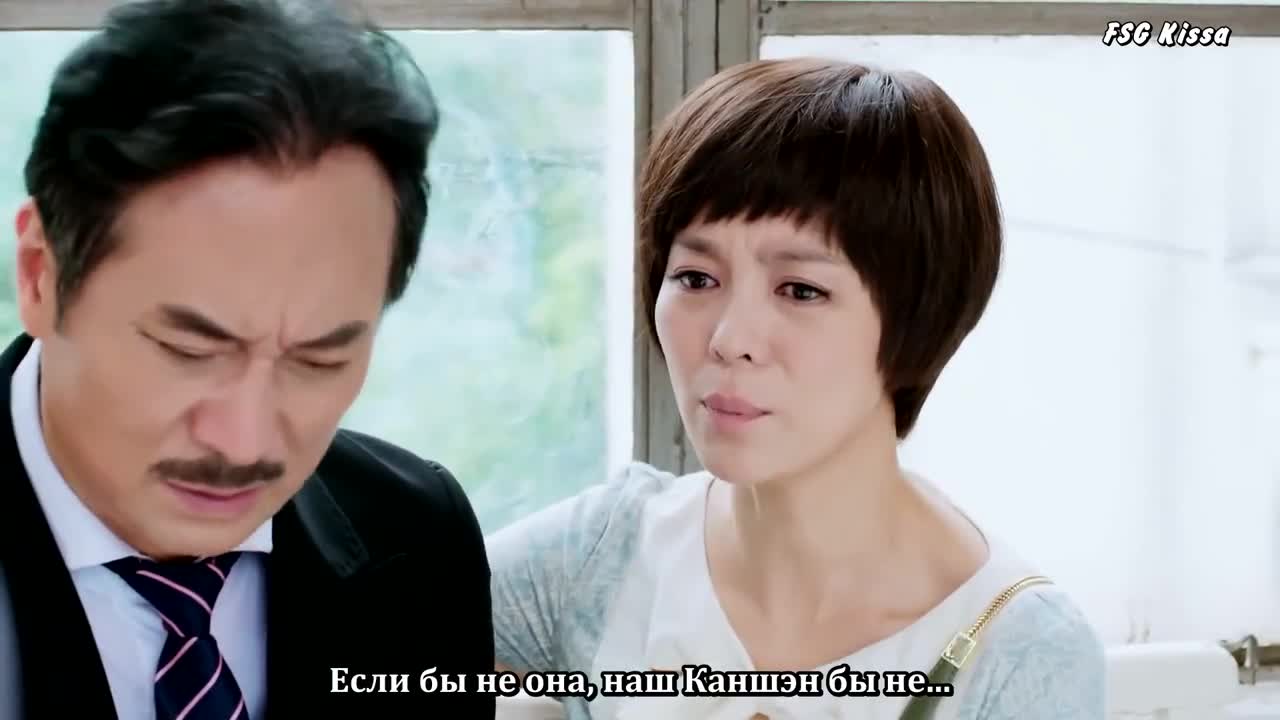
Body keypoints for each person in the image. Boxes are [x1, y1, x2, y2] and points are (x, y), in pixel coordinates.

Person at [488, 58, 1106, 719]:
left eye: (801, 290)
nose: (730, 338)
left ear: (921, 318)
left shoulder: (1018, 655)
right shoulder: (602, 555)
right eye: (696, 278)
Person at [0, 1, 494, 718]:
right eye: (188, 350)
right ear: (41, 275)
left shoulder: (416, 537)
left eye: (320, 358)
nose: (244, 443)